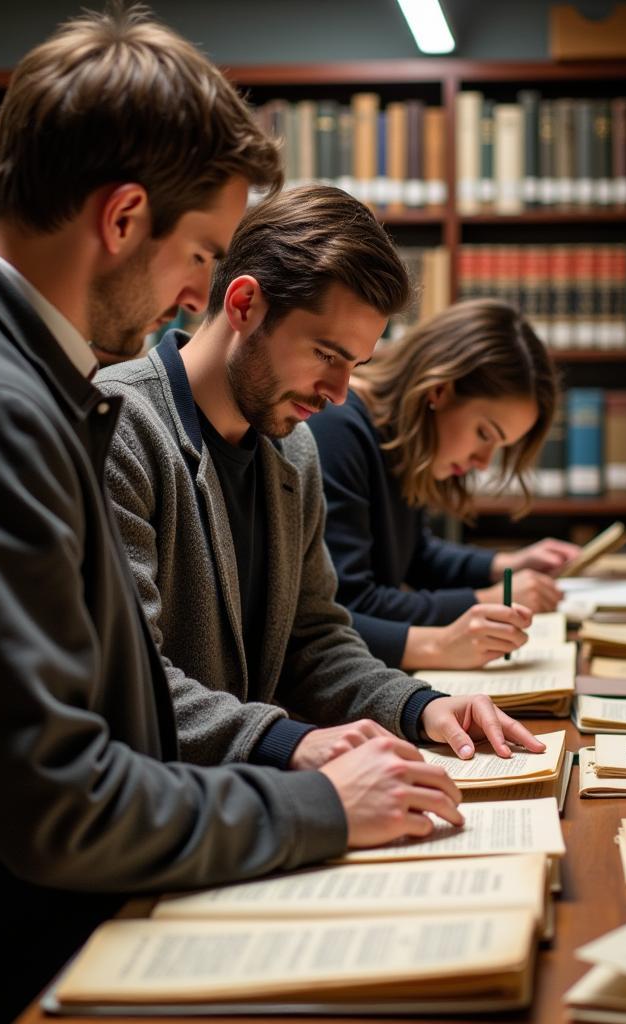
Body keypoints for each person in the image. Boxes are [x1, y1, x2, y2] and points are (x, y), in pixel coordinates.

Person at [0, 10, 464, 1023]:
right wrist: (318, 803)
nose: (195, 295)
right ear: (123, 218)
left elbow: (110, 698)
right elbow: (59, 800)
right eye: (203, 252)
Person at [97, 184, 546, 773]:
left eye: (353, 366)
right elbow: (134, 682)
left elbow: (312, 639)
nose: (338, 395)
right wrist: (294, 744)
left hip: (249, 794)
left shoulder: (294, 450)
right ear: (244, 305)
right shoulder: (118, 428)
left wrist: (418, 705)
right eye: (325, 355)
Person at [309, 298, 577, 670]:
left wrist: (505, 566)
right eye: (484, 434)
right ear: (439, 390)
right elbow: (350, 605)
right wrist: (488, 598)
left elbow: (416, 556)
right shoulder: (338, 429)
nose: (483, 463)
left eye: (499, 448)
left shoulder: (400, 436)